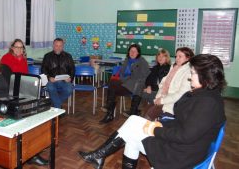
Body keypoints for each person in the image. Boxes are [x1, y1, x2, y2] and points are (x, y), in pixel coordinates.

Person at [79, 54, 226, 169]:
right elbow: (184, 122)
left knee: (133, 128)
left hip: (180, 155)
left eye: (193, 73)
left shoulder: (208, 103)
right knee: (132, 128)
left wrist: (155, 129)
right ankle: (99, 155)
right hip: (180, 144)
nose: (190, 76)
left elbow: (185, 136)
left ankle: (99, 155)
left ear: (205, 76)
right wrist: (161, 124)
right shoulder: (204, 95)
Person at [100, 44, 150, 124]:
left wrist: (140, 83)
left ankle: (110, 110)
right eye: (131, 51)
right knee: (112, 84)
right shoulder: (127, 60)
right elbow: (122, 73)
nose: (132, 53)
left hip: (135, 86)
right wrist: (121, 78)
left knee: (113, 85)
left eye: (134, 51)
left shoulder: (142, 61)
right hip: (125, 84)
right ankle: (109, 112)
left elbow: (147, 75)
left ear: (138, 53)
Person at [144, 47, 194, 120]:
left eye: (180, 56)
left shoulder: (188, 72)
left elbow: (181, 94)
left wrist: (162, 100)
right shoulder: (174, 67)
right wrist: (159, 97)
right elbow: (162, 84)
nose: (177, 58)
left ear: (187, 58)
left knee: (149, 114)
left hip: (174, 103)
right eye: (176, 56)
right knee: (147, 109)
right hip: (163, 98)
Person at [41, 38, 75, 108]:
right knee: (50, 88)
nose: (58, 48)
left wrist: (70, 78)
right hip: (52, 81)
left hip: (64, 81)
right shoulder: (47, 56)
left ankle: (55, 104)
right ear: (53, 46)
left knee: (69, 89)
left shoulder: (68, 56)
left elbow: (72, 69)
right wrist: (49, 78)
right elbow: (43, 69)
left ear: (63, 46)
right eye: (56, 45)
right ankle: (58, 107)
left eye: (60, 46)